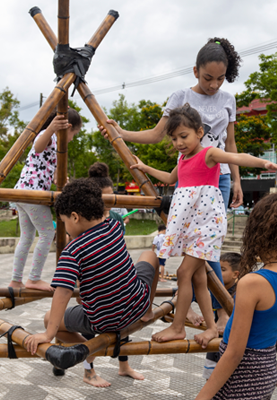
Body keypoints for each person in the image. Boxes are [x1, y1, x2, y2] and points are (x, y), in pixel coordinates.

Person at [101, 38, 243, 326]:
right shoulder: (180, 96)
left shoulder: (229, 99)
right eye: (207, 78)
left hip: (220, 180)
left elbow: (231, 144)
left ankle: (213, 311)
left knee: (207, 249)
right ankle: (214, 311)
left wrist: (238, 180)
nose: (214, 85)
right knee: (195, 252)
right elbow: (156, 134)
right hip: (190, 182)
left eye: (220, 79)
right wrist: (122, 133)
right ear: (195, 71)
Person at [130, 104, 277, 346]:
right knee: (196, 277)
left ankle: (177, 327)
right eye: (174, 138)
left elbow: (236, 156)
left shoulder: (208, 154)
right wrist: (145, 168)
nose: (178, 143)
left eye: (183, 136)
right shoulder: (183, 159)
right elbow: (170, 178)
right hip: (190, 225)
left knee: (185, 272)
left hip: (206, 225)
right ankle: (211, 327)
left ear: (199, 132)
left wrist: (265, 164)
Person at [22, 179, 158, 388]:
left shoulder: (73, 251)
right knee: (150, 255)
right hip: (136, 306)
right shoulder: (114, 227)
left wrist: (48, 333)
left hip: (104, 320)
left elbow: (63, 292)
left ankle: (88, 350)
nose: (66, 229)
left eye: (65, 222)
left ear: (75, 217)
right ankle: (149, 310)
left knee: (50, 318)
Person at [196, 191, 277, 400]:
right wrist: (265, 328)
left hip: (241, 375)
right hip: (266, 372)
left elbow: (235, 352)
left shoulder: (252, 282)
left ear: (259, 232)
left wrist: (202, 396)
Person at [83, 162, 145, 381]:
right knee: (89, 325)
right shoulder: (84, 220)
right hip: (91, 281)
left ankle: (124, 366)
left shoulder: (117, 219)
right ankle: (88, 370)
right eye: (104, 198)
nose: (109, 202)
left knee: (123, 322)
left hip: (116, 277)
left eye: (111, 197)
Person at [9, 109, 82, 292]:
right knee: (48, 233)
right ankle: (34, 279)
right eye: (75, 134)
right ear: (68, 127)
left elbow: (55, 174)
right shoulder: (49, 136)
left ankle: (16, 279)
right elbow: (38, 146)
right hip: (32, 194)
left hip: (22, 193)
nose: (73, 138)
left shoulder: (57, 148)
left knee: (26, 236)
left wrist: (61, 180)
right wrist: (51, 128)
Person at [203, 252, 241, 380]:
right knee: (211, 379)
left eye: (222, 270)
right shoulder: (212, 289)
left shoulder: (240, 292)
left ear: (236, 274)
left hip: (234, 345)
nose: (217, 273)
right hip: (216, 343)